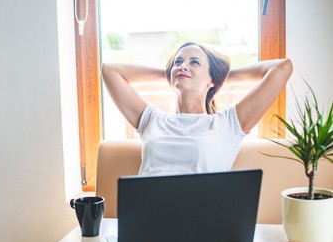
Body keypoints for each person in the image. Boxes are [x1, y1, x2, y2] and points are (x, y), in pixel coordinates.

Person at [101, 42, 293, 176]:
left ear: (212, 80)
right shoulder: (152, 120)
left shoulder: (228, 124)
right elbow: (110, 71)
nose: (183, 66)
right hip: (147, 221)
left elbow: (283, 68)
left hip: (202, 225)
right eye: (178, 62)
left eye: (194, 62)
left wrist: (221, 77)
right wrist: (170, 74)